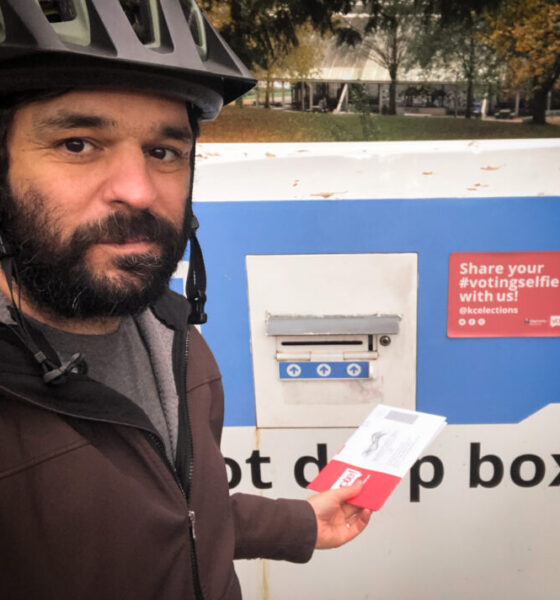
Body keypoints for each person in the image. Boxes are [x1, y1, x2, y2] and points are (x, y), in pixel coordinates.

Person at [0, 2, 371, 599]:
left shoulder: (175, 339)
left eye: (163, 151)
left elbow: (176, 507)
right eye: (77, 144)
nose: (139, 191)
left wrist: (300, 523)